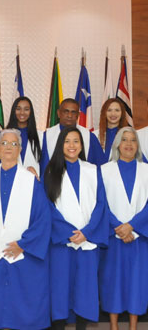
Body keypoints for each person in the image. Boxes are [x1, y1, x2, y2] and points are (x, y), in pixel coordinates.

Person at [0, 129, 51, 330]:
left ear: (20, 149)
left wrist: (23, 244)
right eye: (4, 143)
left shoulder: (30, 179)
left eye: (13, 144)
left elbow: (42, 217)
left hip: (22, 251)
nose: (8, 147)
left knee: (24, 303)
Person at [43, 127, 108, 329]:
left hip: (88, 240)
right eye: (67, 141)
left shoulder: (92, 170)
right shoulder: (51, 171)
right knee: (60, 287)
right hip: (62, 242)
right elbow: (47, 207)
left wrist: (87, 232)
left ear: (82, 145)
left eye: (76, 142)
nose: (72, 146)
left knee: (85, 288)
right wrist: (69, 233)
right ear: (60, 144)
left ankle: (82, 326)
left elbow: (101, 204)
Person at [99, 127, 148, 330]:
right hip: (113, 237)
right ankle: (113, 325)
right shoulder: (104, 170)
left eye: (133, 140)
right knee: (113, 282)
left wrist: (132, 227)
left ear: (137, 145)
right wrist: (119, 228)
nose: (129, 144)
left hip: (139, 237)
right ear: (117, 144)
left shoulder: (146, 170)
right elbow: (101, 204)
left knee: (137, 283)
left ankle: (134, 326)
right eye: (124, 139)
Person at [40, 98, 104, 174]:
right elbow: (42, 166)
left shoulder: (89, 137)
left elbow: (101, 166)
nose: (69, 115)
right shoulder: (46, 136)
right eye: (66, 111)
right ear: (58, 113)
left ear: (78, 115)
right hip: (55, 182)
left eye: (73, 112)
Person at [6, 97, 42, 175]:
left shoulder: (41, 136)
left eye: (26, 109)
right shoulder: (4, 135)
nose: (22, 112)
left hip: (33, 181)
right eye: (18, 109)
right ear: (13, 111)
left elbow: (44, 163)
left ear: (31, 112)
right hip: (10, 180)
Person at [94, 98, 128, 164]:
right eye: (109, 110)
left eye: (117, 110)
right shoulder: (94, 135)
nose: (113, 114)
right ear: (104, 113)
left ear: (122, 113)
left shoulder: (127, 135)